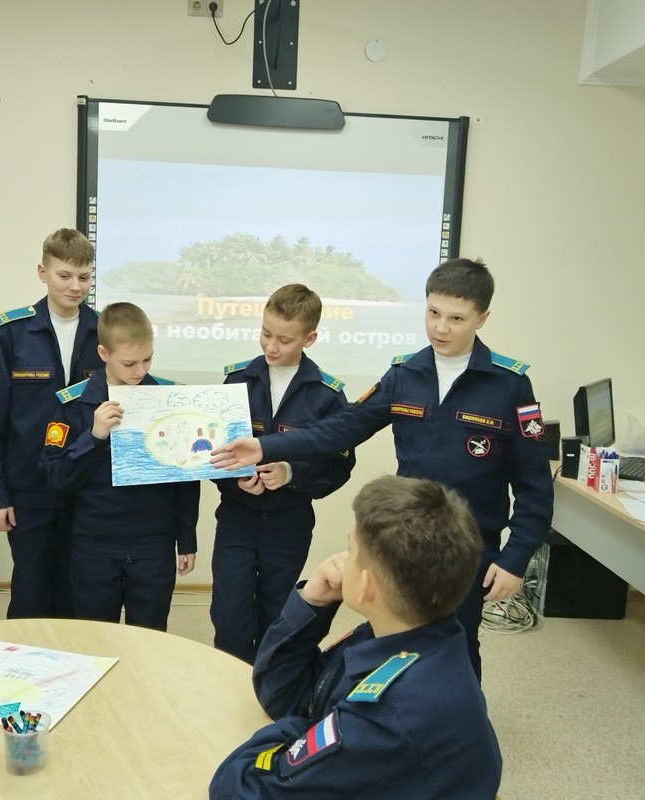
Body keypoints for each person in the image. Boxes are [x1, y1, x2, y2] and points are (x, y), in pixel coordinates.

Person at [212, 258, 554, 679]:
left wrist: (516, 558)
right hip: (403, 542)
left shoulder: (510, 384)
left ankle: (457, 718)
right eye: (433, 312)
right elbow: (342, 428)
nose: (440, 328)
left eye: (456, 318)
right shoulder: (404, 374)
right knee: (393, 645)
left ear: (481, 318)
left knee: (458, 646)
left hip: (468, 548)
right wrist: (265, 446)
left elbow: (535, 484)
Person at [209, 475, 502, 798]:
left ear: (365, 586)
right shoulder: (412, 632)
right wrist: (312, 602)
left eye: (351, 550)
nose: (342, 559)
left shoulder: (380, 718)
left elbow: (238, 789)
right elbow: (286, 695)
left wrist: (302, 731)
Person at [212, 284, 355, 663]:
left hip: (288, 524)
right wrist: (235, 477)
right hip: (237, 520)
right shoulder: (236, 381)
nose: (271, 347)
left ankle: (269, 688)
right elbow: (212, 452)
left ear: (310, 338)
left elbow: (339, 465)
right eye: (265, 334)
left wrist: (292, 473)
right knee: (229, 616)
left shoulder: (327, 395)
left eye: (284, 340)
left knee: (276, 615)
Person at [38, 302, 198, 631]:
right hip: (94, 542)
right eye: (129, 363)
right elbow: (55, 477)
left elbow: (185, 478)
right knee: (96, 635)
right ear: (103, 353)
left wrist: (187, 539)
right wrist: (94, 437)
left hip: (154, 543)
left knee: (150, 636)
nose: (140, 370)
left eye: (147, 359)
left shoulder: (168, 401)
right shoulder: (74, 405)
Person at [0, 228, 103, 618]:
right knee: (31, 590)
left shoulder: (104, 330)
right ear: (42, 272)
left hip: (86, 487)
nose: (75, 286)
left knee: (76, 592)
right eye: (65, 275)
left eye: (84, 277)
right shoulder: (11, 333)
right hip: (28, 487)